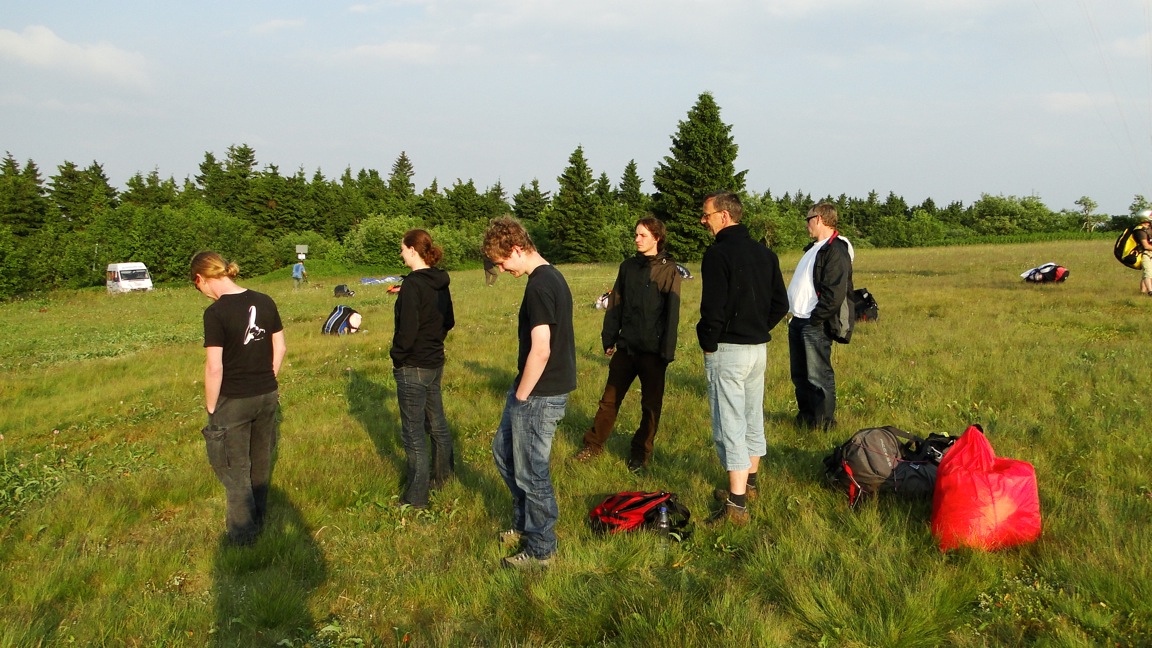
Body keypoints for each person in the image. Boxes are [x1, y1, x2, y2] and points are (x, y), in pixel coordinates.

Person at [483, 216, 576, 570]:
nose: (502, 269)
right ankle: (524, 524)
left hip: (538, 392)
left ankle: (541, 550)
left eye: (502, 261)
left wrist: (521, 396)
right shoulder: (549, 277)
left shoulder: (540, 285)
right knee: (504, 452)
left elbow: (541, 349)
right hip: (532, 387)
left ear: (517, 249)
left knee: (532, 472)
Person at [696, 191, 789, 526]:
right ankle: (749, 485)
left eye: (706, 215)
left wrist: (709, 342)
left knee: (730, 422)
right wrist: (757, 328)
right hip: (757, 350)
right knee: (751, 416)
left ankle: (736, 505)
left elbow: (713, 308)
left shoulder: (717, 253)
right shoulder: (765, 253)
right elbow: (781, 304)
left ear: (724, 216)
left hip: (728, 349)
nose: (703, 221)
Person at [192, 251, 286, 546]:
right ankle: (260, 522)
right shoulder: (265, 300)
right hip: (267, 394)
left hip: (233, 400)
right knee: (260, 462)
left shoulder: (216, 313)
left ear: (201, 279)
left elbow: (214, 366)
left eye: (197, 286)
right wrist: (267, 378)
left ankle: (243, 539)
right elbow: (280, 348)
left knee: (235, 470)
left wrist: (211, 407)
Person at [572, 217, 681, 471]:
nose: (637, 239)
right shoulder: (628, 267)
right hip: (627, 347)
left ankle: (640, 453)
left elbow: (672, 314)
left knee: (650, 406)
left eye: (643, 235)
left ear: (657, 238)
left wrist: (667, 351)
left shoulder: (669, 269)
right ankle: (593, 445)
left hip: (653, 352)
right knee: (609, 400)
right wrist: (609, 338)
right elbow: (616, 304)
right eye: (636, 234)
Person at [391, 229, 456, 509]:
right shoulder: (440, 281)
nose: (401, 254)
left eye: (403, 249)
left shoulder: (413, 285)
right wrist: (434, 340)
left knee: (414, 433)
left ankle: (416, 497)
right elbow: (448, 320)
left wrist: (397, 356)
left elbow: (407, 331)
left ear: (413, 250)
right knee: (437, 423)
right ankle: (444, 479)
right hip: (434, 361)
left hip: (413, 365)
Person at [787, 202, 855, 431]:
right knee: (800, 376)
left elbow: (834, 293)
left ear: (819, 219)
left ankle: (824, 424)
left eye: (808, 219)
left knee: (818, 376)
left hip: (814, 323)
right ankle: (806, 419)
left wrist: (816, 319)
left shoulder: (836, 249)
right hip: (798, 320)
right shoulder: (814, 248)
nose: (806, 224)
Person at [1134, 218, 1152, 294]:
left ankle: (1142, 292)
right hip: (1145, 254)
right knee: (1148, 273)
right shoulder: (1140, 231)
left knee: (1146, 273)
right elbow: (1146, 246)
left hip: (1149, 253)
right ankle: (1150, 291)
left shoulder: (1148, 230)